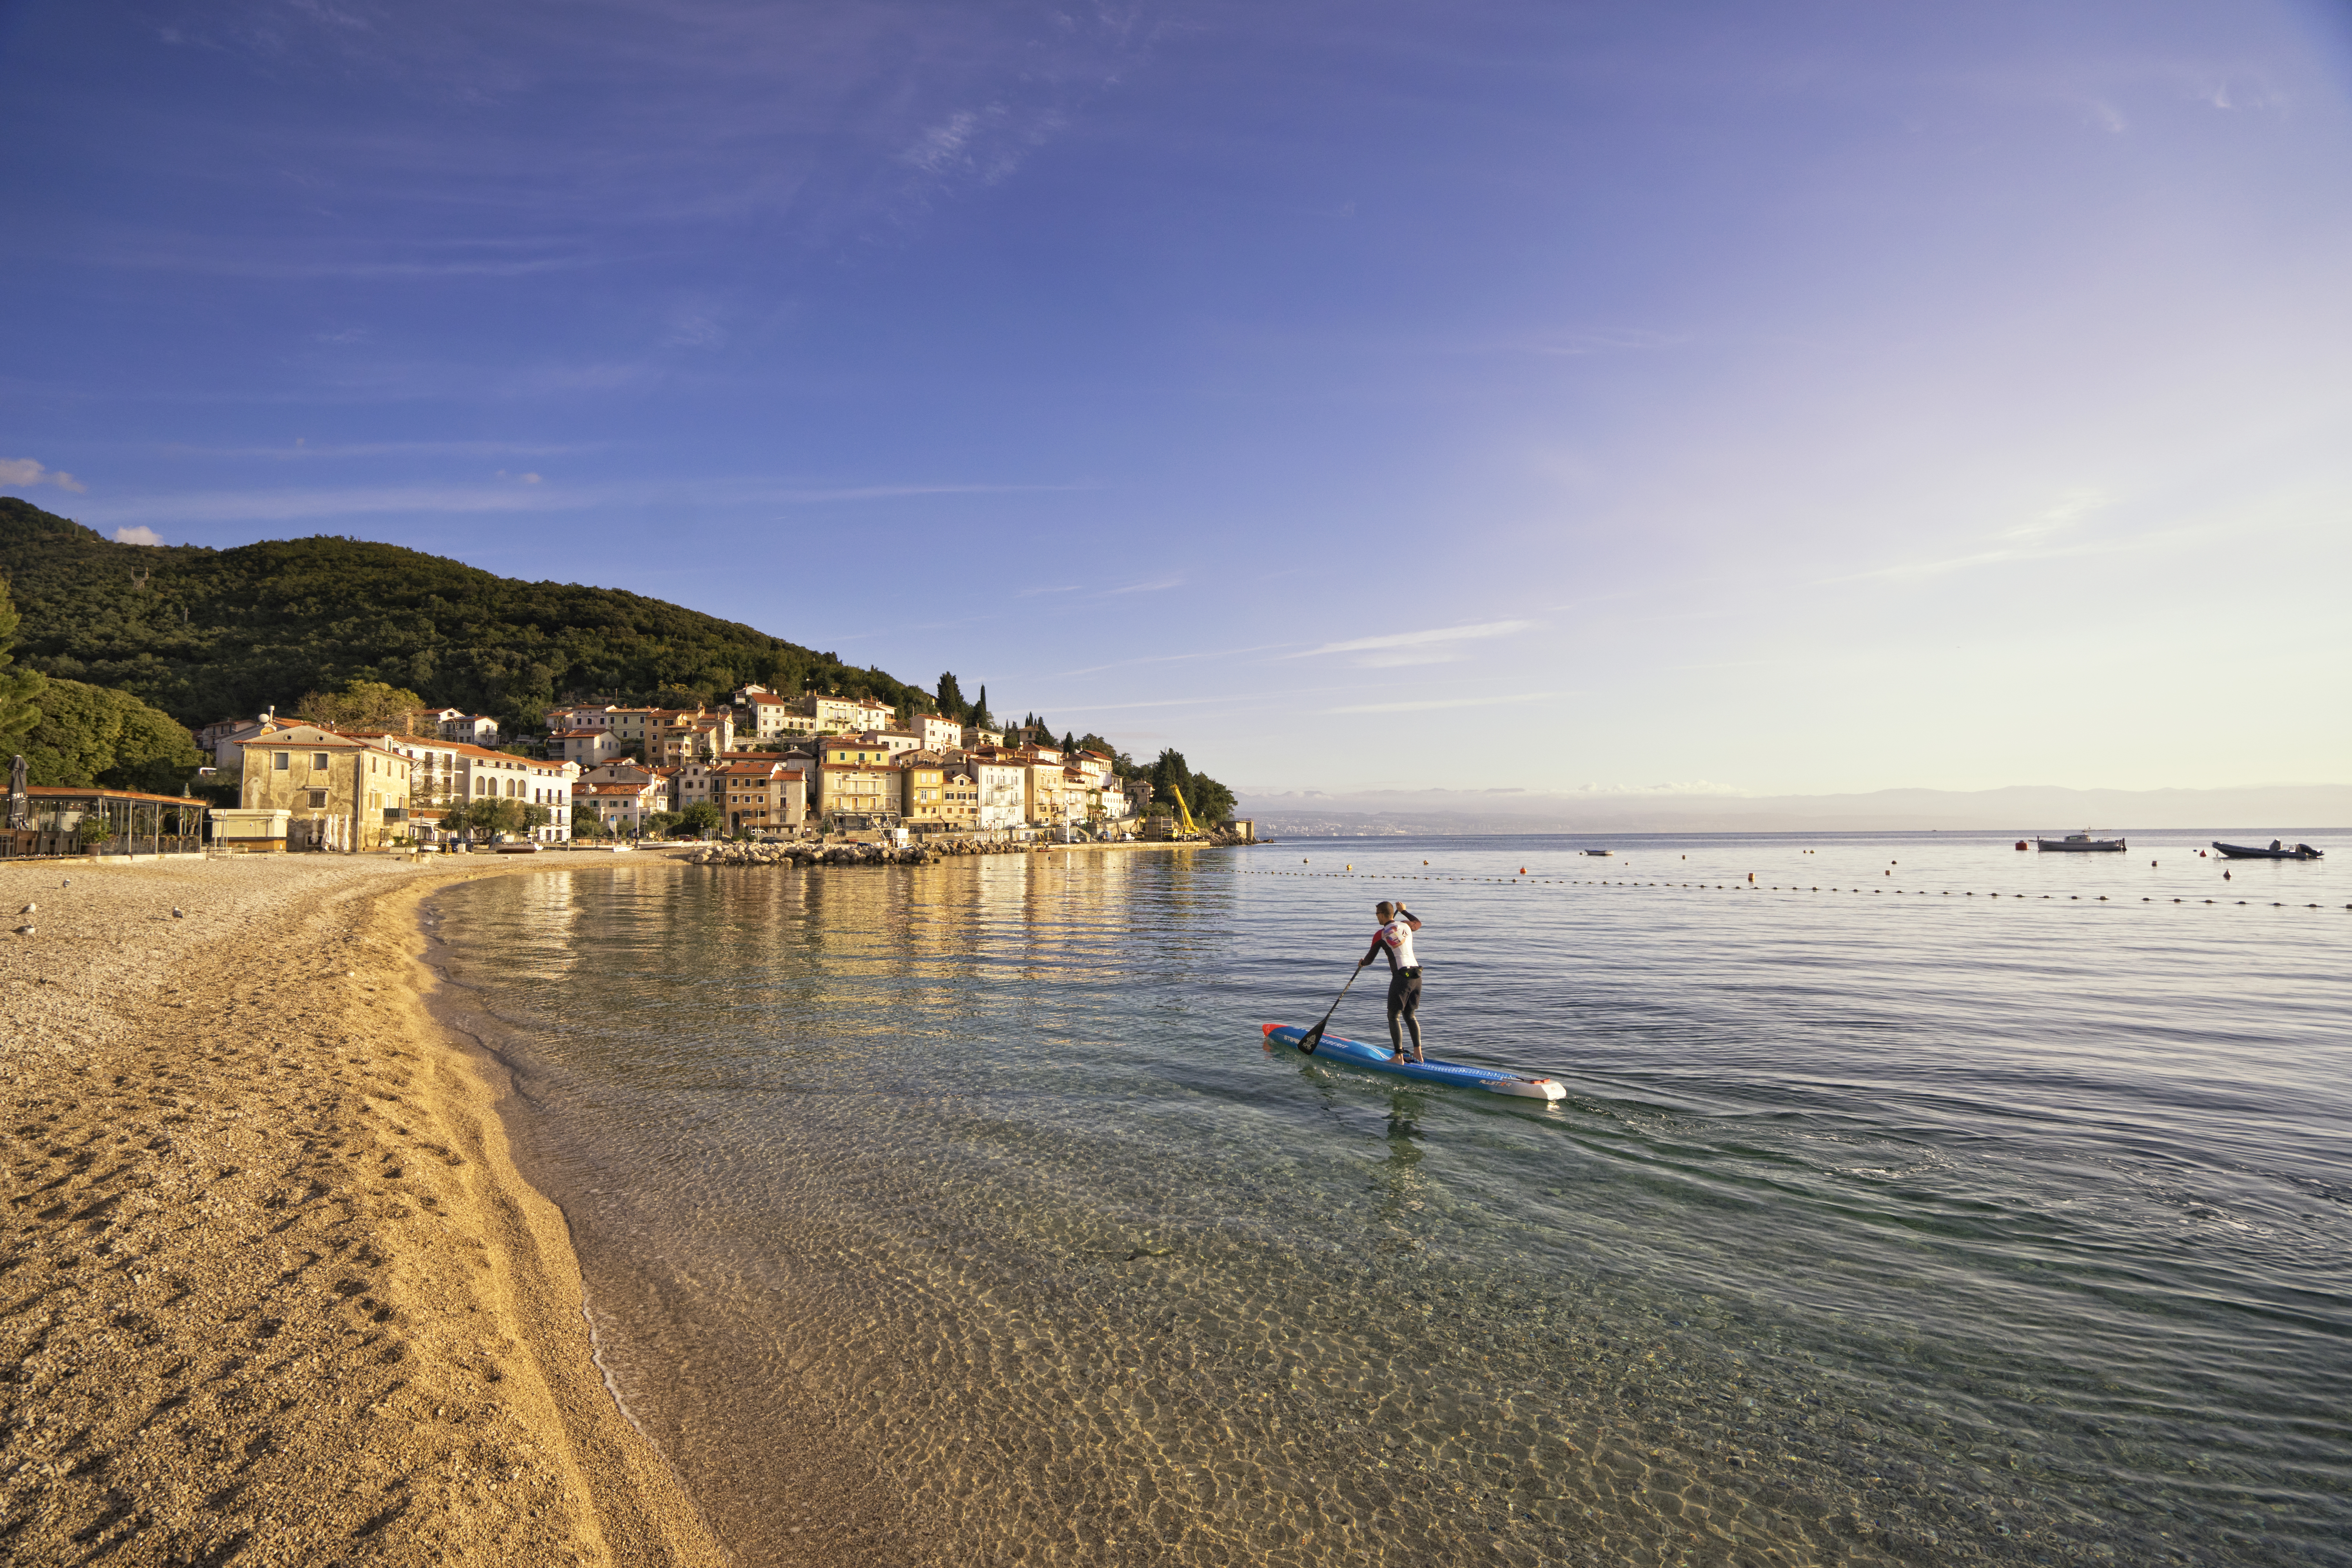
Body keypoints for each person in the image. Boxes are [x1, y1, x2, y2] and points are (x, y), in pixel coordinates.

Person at [1358, 899, 1425, 1062]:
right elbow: (1418, 923)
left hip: (1402, 977)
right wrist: (1403, 911)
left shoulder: (1380, 935)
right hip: (1417, 976)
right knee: (1410, 1015)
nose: (1377, 917)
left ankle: (1398, 1056)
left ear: (1382, 915)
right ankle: (1418, 1054)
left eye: (1377, 914)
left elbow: (1370, 959)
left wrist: (1362, 963)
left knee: (1393, 1016)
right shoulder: (1406, 925)